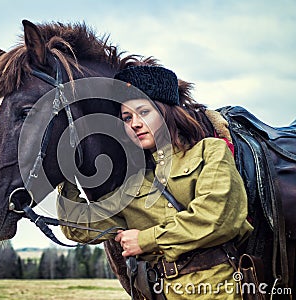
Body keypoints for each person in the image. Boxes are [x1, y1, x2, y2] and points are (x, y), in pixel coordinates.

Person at [57, 65, 253, 299]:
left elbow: (218, 218)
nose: (135, 123)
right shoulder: (133, 184)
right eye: (127, 117)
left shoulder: (210, 151)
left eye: (143, 112)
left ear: (166, 110)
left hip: (218, 289)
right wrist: (66, 173)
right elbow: (77, 227)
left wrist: (145, 240)